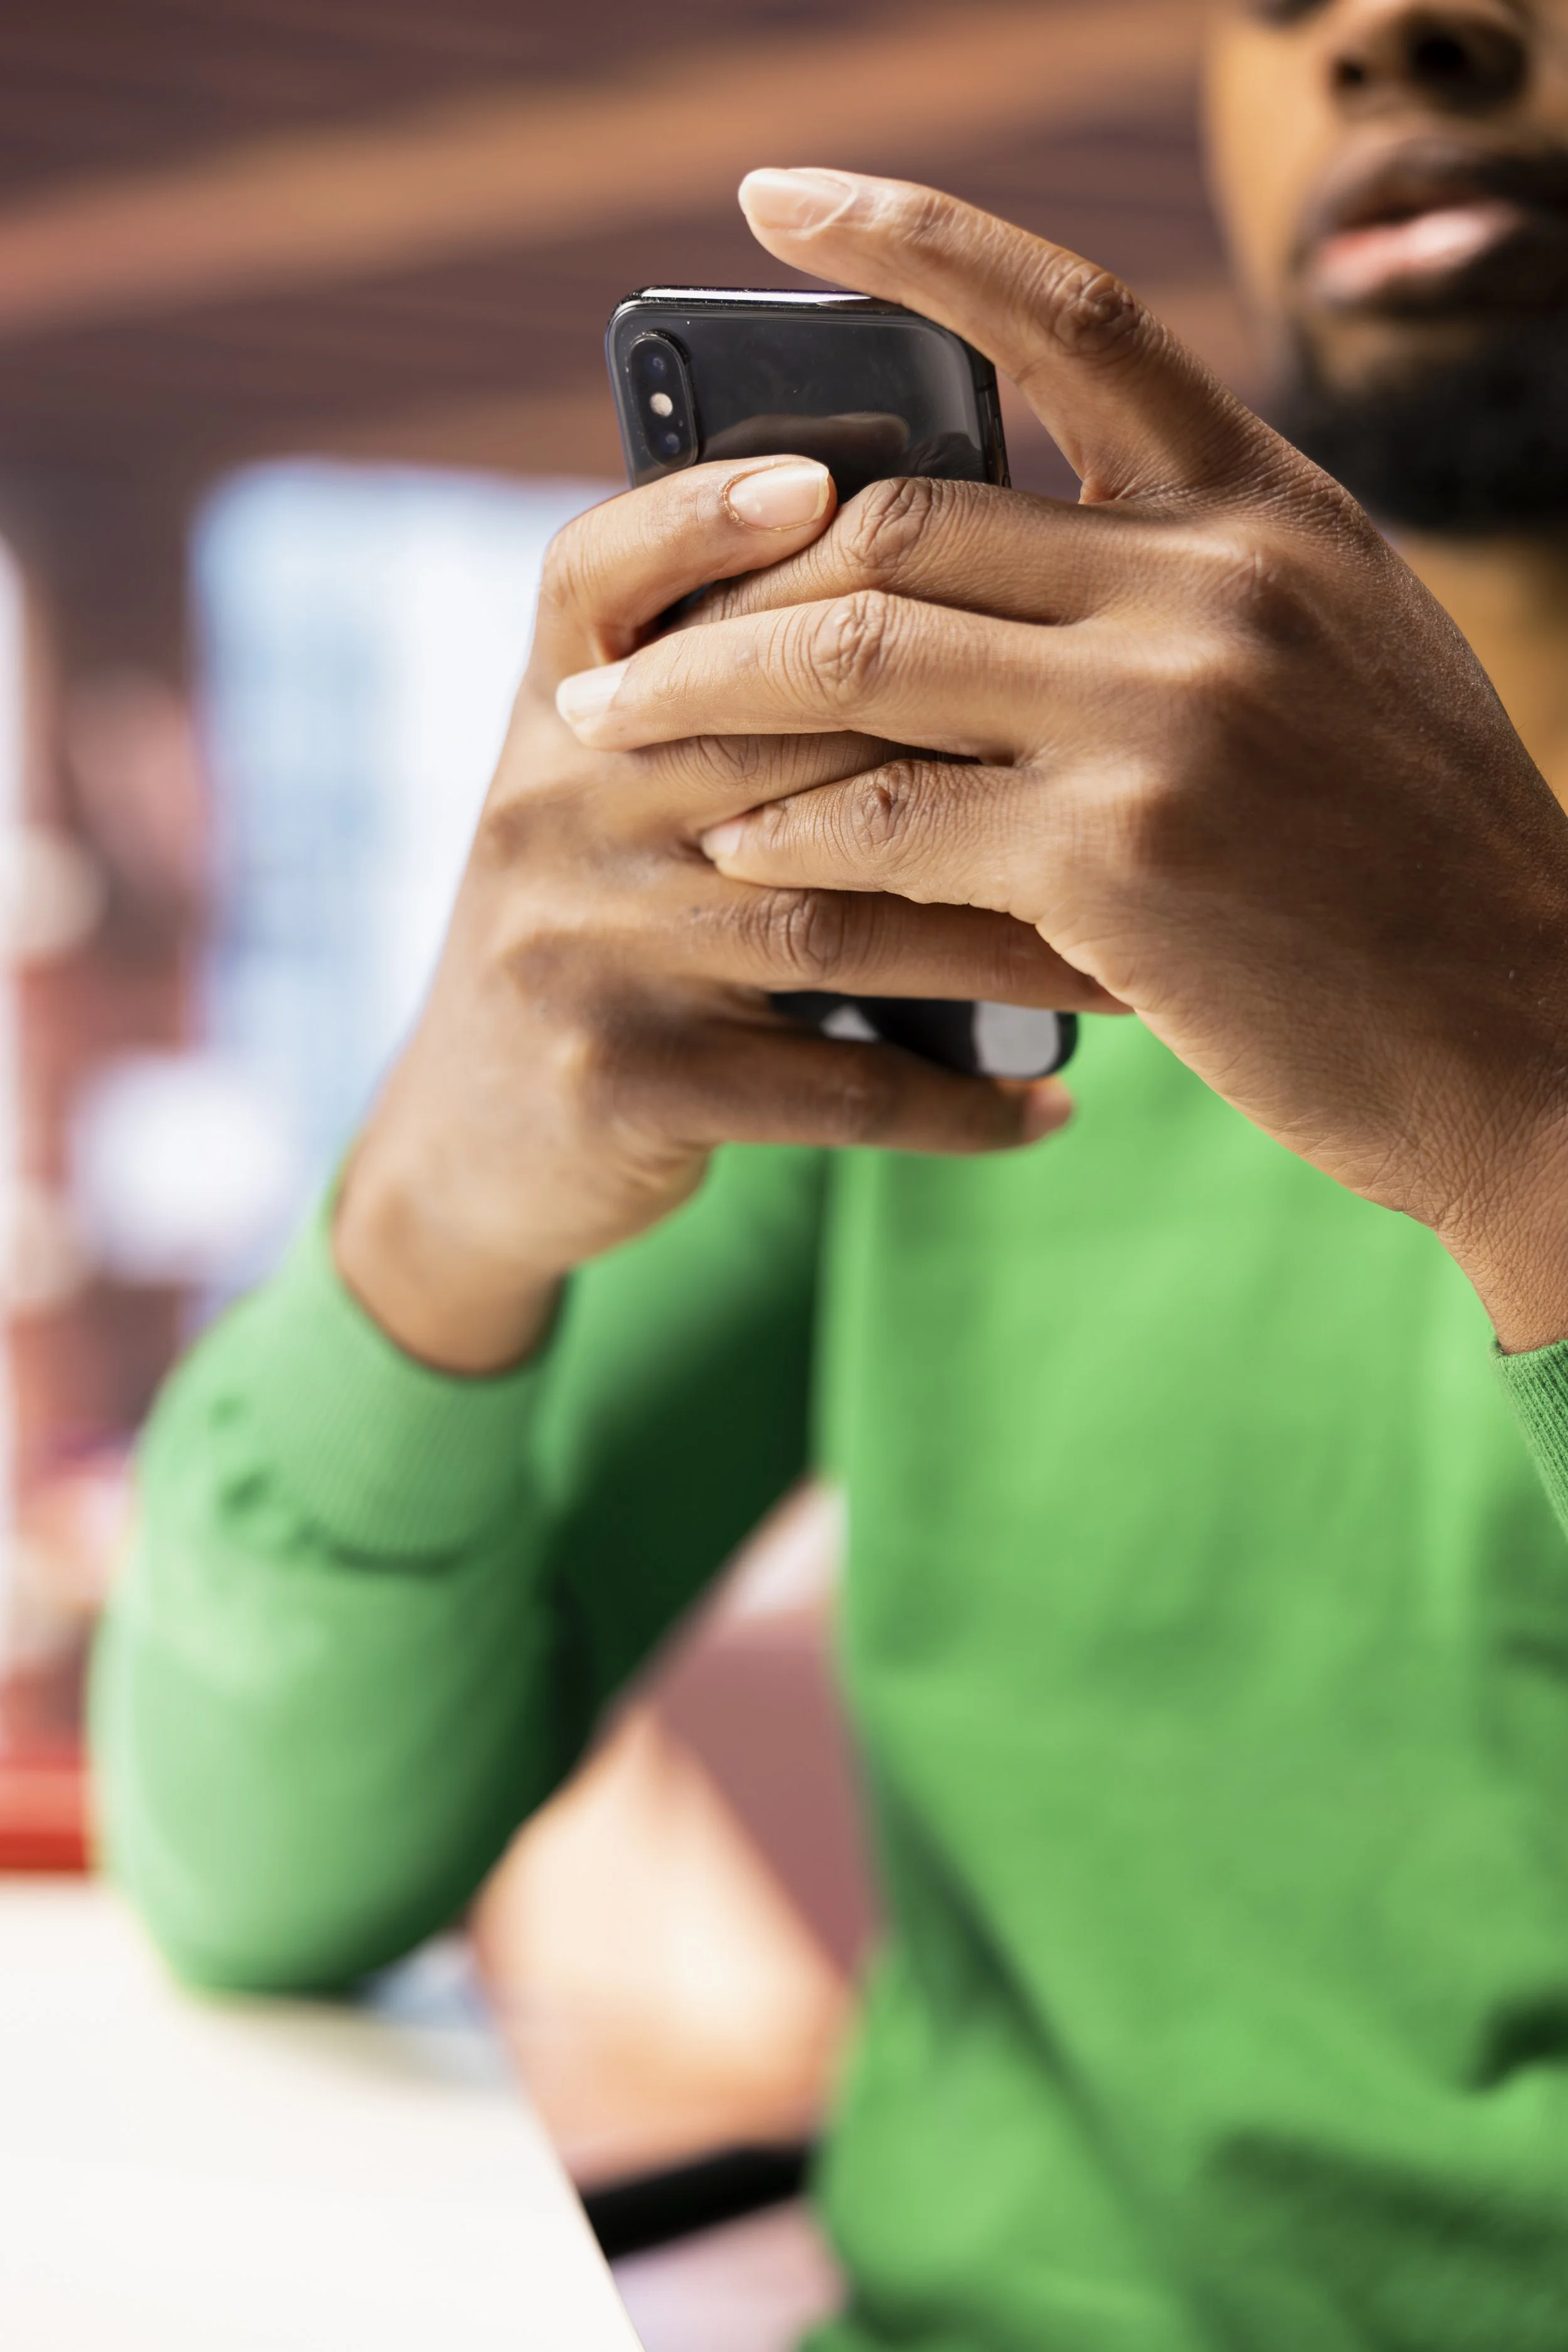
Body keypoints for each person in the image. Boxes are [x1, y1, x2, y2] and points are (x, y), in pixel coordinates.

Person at [95, 3, 1568, 2344]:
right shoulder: (963, 943)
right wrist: (433, 1210)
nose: (1395, 31)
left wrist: (1523, 1085)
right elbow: (259, 1863)